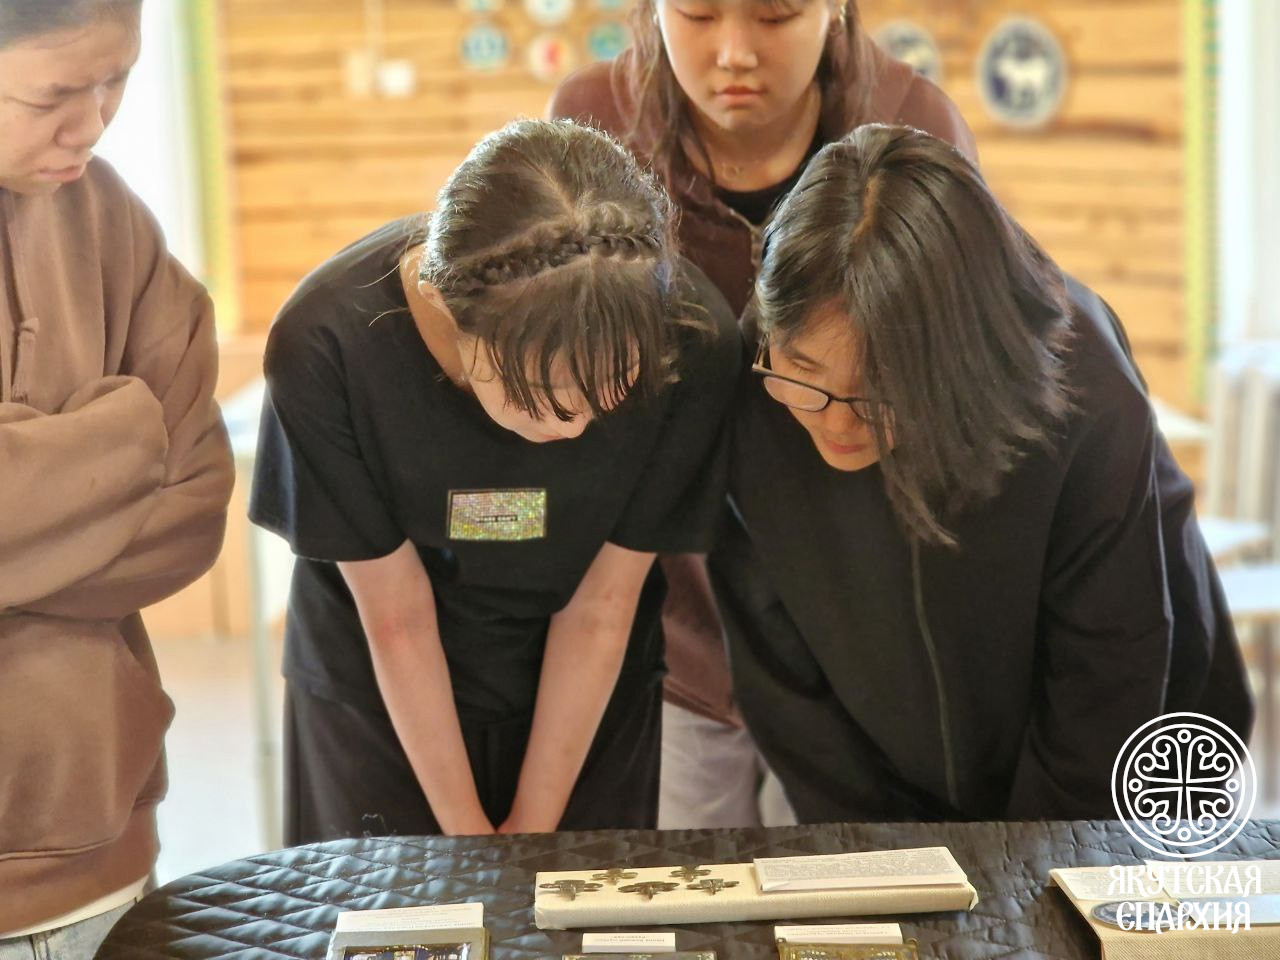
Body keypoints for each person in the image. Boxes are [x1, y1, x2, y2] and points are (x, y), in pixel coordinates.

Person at [712, 124, 1252, 821]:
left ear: (956, 361)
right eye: (805, 377)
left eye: (880, 390)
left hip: (1141, 756)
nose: (839, 423)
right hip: (896, 765)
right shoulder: (752, 383)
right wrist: (871, 857)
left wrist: (1024, 877)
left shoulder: (1081, 392)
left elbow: (1109, 669)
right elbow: (776, 661)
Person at [249, 119, 740, 841]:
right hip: (381, 692)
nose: (575, 427)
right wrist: (471, 840)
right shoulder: (327, 346)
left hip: (586, 687)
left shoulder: (694, 340)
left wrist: (532, 829)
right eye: (544, 395)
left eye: (612, 392)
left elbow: (606, 604)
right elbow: (395, 614)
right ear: (449, 312)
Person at [549, 0, 976, 827]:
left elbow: (954, 381)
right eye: (698, 15)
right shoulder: (589, 128)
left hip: (853, 630)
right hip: (658, 626)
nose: (734, 53)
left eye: (776, 15)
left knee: (840, 910)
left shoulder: (914, 126)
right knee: (671, 908)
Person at [0, 0, 234, 954]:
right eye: (54, 93)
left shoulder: (110, 216)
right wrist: (122, 446)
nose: (92, 124)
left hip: (99, 845)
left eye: (118, 80)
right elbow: (156, 466)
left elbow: (193, 503)